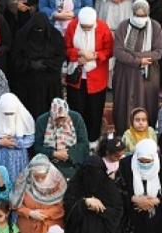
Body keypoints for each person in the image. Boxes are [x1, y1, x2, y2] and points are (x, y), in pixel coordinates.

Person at [111, 1, 162, 134]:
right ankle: (124, 133)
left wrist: (134, 55)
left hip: (148, 73)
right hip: (125, 73)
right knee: (124, 101)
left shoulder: (155, 27)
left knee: (146, 101)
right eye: (137, 16)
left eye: (143, 16)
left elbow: (158, 52)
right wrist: (138, 61)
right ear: (132, 13)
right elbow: (118, 51)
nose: (140, 19)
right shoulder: (123, 26)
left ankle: (146, 133)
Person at [64, 7, 114, 143]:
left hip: (97, 78)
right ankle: (76, 139)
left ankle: (93, 140)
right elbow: (66, 48)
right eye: (84, 27)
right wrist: (78, 54)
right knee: (76, 109)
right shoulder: (72, 26)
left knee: (94, 111)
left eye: (89, 27)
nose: (86, 29)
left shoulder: (103, 27)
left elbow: (109, 50)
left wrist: (95, 55)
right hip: (77, 77)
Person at [10, 154, 66, 233]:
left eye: (43, 176)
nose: (39, 179)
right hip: (28, 229)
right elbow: (15, 204)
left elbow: (60, 207)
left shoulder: (57, 183)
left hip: (49, 228)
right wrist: (30, 212)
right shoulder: (24, 183)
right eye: (36, 176)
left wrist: (44, 214)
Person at [9, 11, 65, 118]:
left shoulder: (55, 36)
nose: (39, 33)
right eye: (36, 30)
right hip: (28, 84)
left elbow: (60, 57)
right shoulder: (22, 36)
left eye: (41, 30)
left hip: (49, 85)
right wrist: (30, 64)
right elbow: (15, 59)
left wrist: (46, 63)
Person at [32, 98, 90, 181]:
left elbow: (84, 144)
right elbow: (37, 147)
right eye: (58, 119)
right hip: (49, 162)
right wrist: (54, 153)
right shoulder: (42, 121)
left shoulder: (76, 118)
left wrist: (69, 153)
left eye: (63, 119)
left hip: (72, 161)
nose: (61, 123)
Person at [0, 93, 34, 184]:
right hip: (0, 157)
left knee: (19, 183)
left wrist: (18, 142)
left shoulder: (22, 114)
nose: (9, 117)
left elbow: (30, 138)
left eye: (11, 114)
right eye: (6, 114)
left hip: (19, 159)